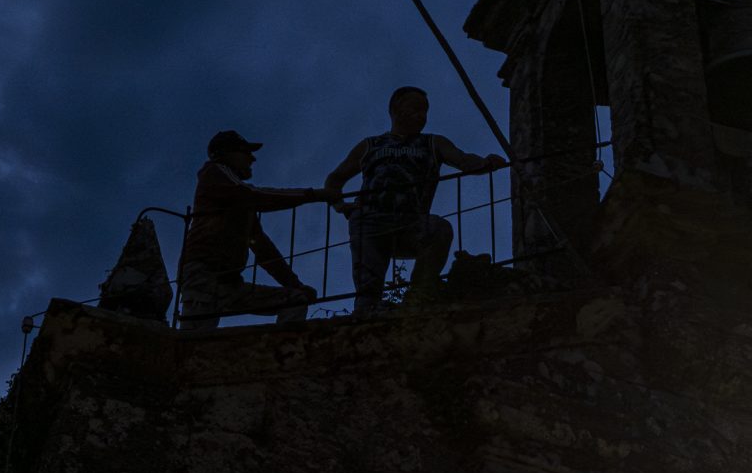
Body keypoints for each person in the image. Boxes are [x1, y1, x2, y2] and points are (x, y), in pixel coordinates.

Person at [326, 86, 509, 314]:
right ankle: (368, 308)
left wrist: (485, 162)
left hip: (410, 223)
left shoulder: (433, 143)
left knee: (439, 229)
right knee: (367, 295)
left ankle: (418, 295)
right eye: (415, 108)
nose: (421, 115)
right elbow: (334, 180)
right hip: (370, 223)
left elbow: (462, 159)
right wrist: (341, 206)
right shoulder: (370, 146)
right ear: (395, 109)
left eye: (425, 110)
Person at [178, 130, 327, 329]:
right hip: (203, 277)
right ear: (226, 154)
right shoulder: (215, 172)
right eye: (244, 151)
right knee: (193, 342)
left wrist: (295, 286)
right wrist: (313, 195)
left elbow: (261, 246)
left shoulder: (240, 201)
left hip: (229, 282)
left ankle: (281, 356)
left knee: (295, 299)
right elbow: (251, 195)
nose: (252, 158)